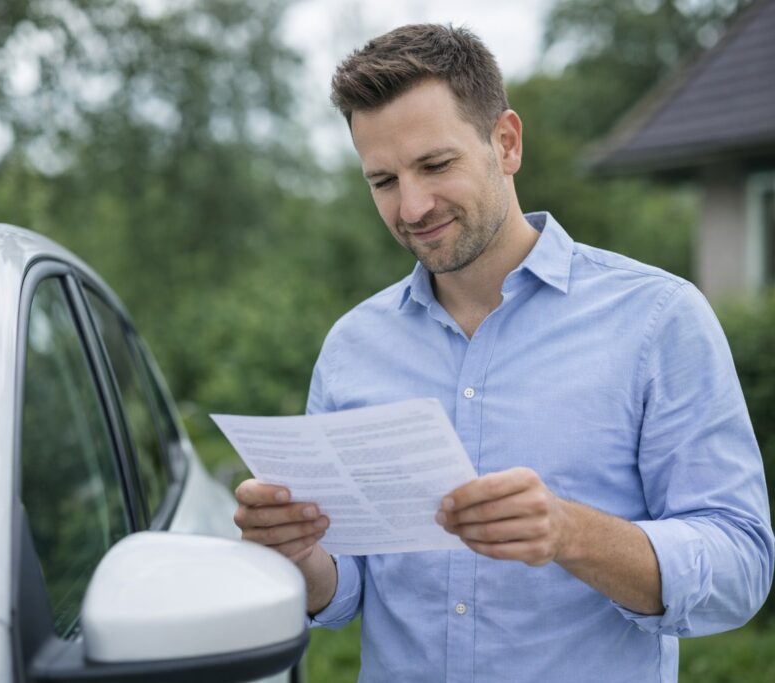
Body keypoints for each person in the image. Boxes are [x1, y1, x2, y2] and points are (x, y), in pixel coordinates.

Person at [233, 23, 774, 682]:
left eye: (436, 165)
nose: (412, 206)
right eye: (383, 180)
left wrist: (573, 533)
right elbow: (348, 590)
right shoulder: (352, 348)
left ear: (506, 142)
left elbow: (741, 567)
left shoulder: (659, 320)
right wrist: (300, 556)